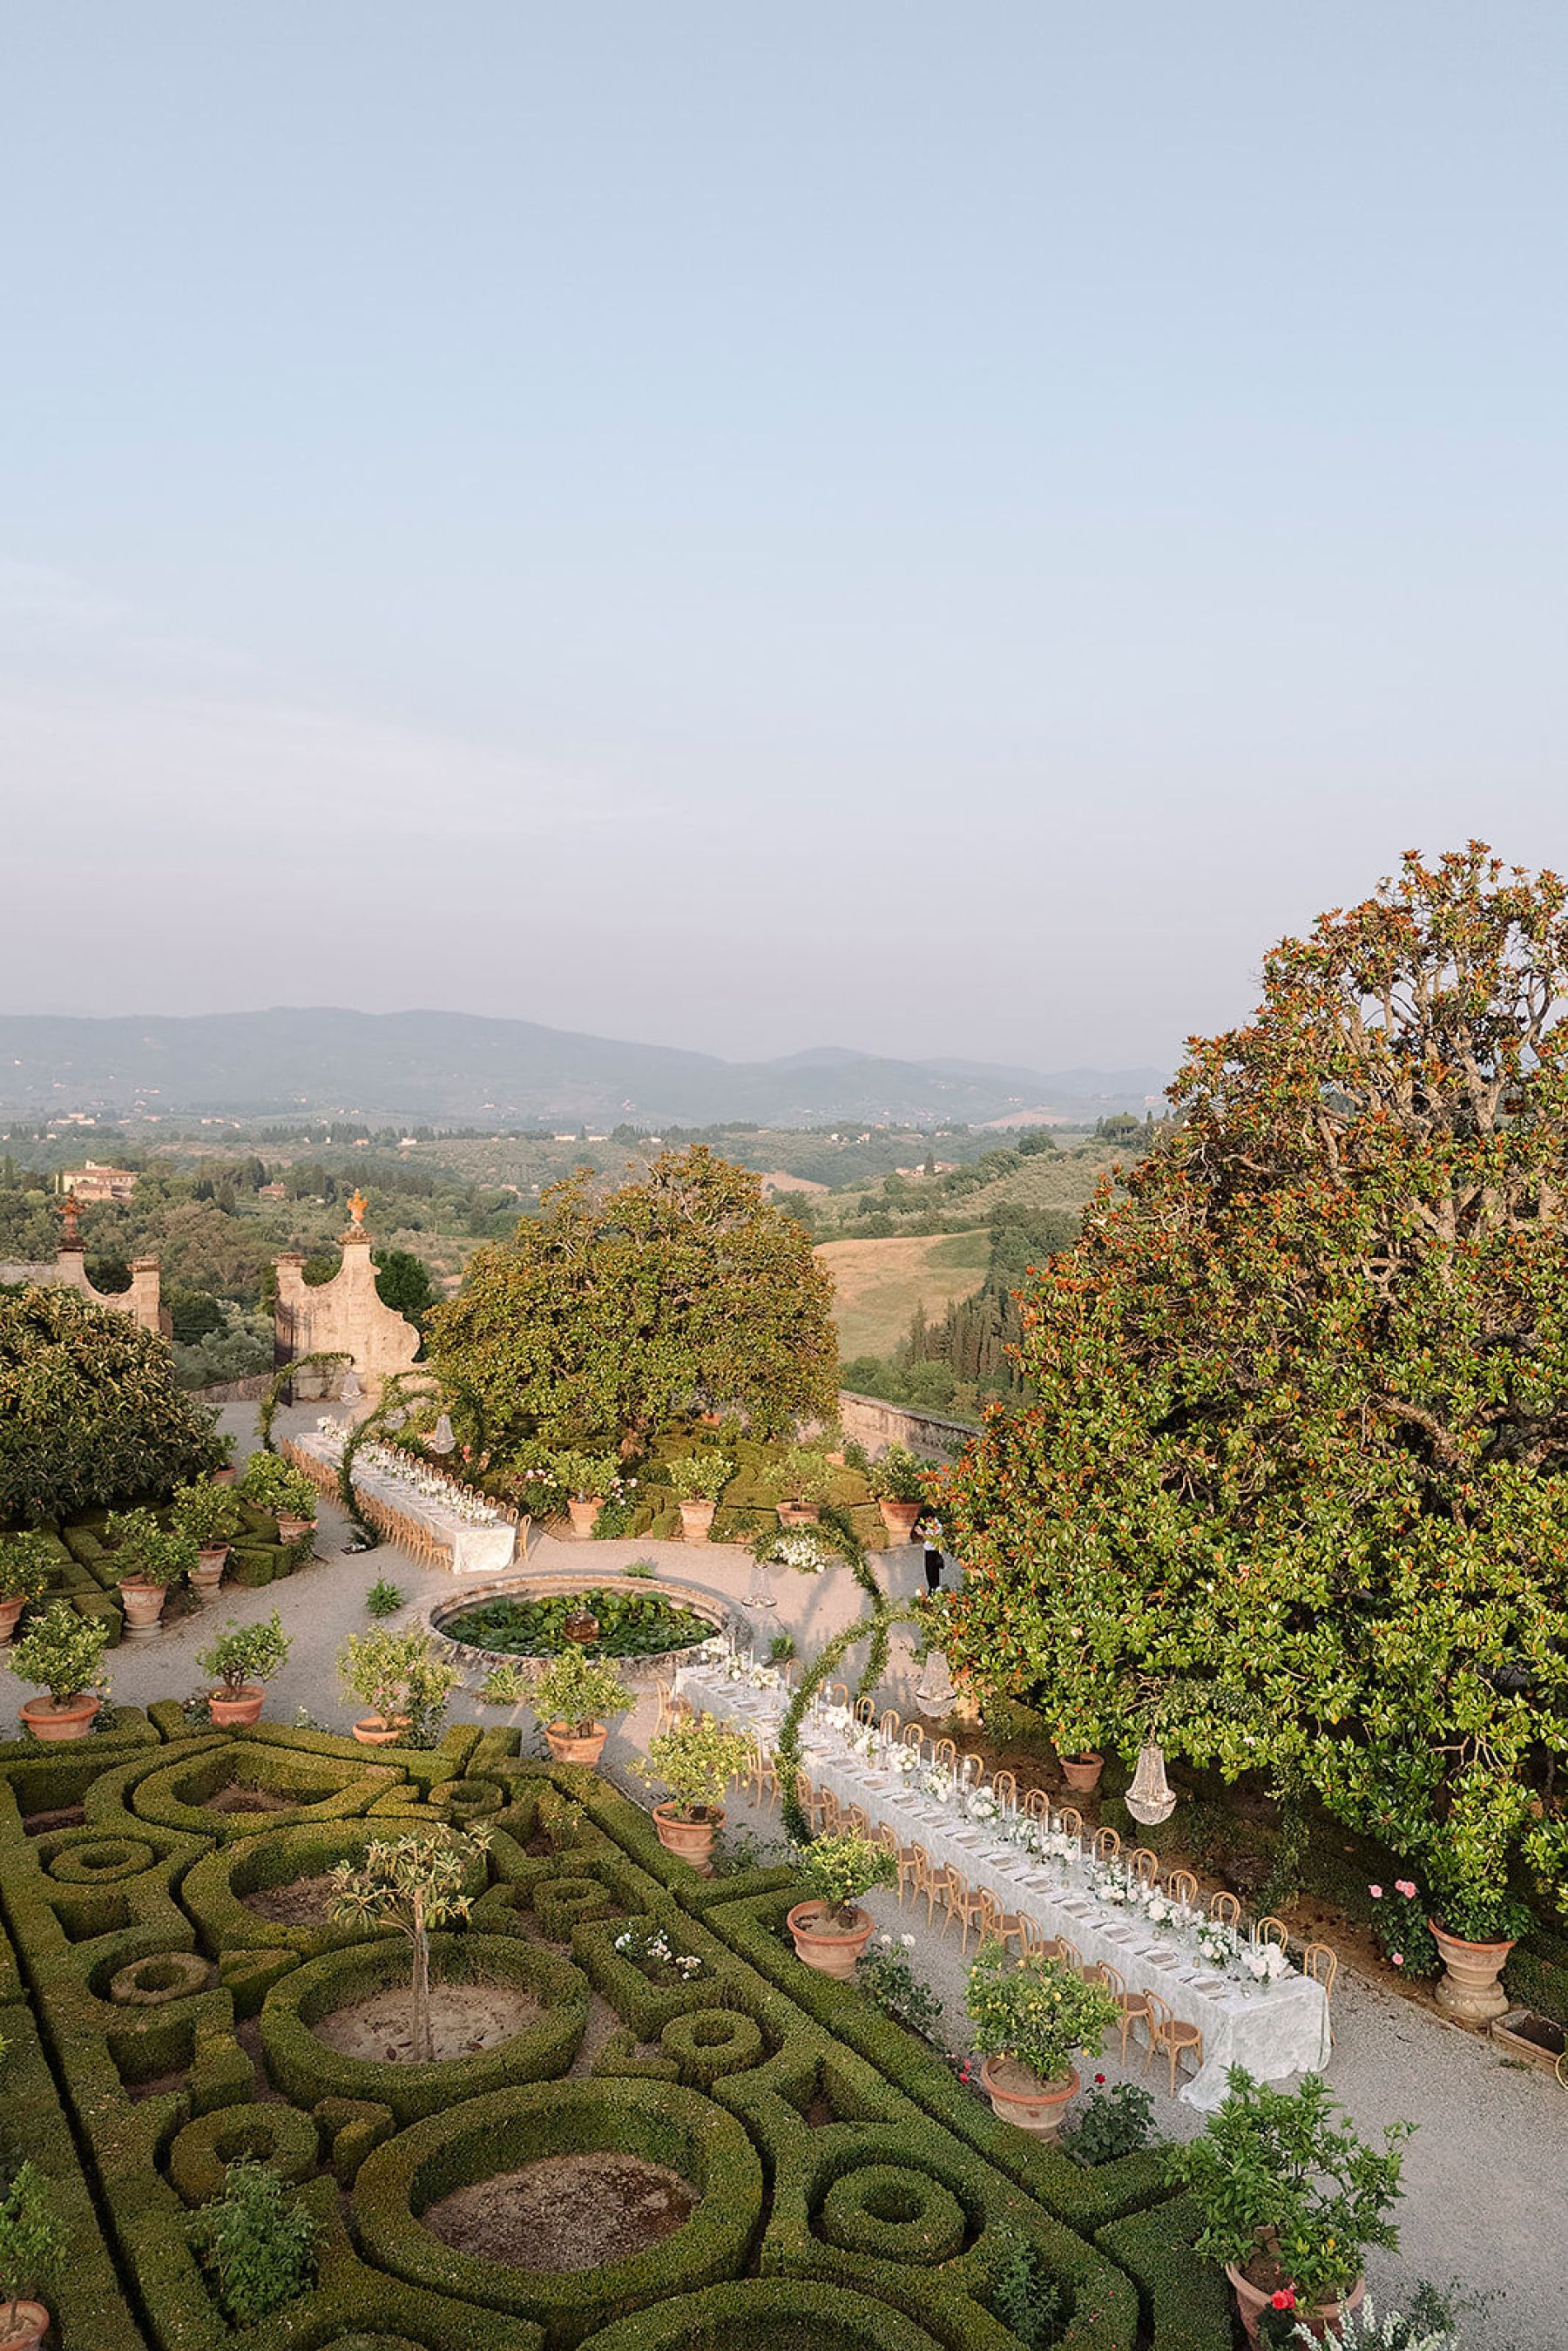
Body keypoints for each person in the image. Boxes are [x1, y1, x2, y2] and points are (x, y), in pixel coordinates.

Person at [917, 1517, 944, 1595]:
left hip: (934, 1552)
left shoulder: (938, 1526)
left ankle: (935, 1588)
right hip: (928, 1551)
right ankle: (931, 1588)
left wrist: (922, 1533)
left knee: (934, 1571)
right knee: (929, 1571)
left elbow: (933, 1538)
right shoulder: (930, 1525)